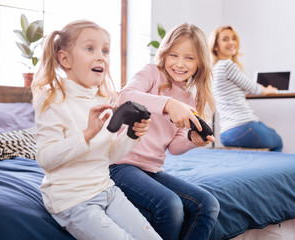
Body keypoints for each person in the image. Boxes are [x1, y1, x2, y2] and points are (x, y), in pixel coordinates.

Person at [31, 19, 162, 240]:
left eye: (105, 50)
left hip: (106, 190)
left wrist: (132, 135)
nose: (101, 56)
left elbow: (109, 155)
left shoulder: (101, 100)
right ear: (65, 58)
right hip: (72, 200)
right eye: (90, 48)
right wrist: (87, 134)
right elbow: (45, 158)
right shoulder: (53, 100)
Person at [109, 22, 220, 240]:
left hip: (151, 169)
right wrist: (168, 104)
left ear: (200, 63)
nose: (180, 64)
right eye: (174, 55)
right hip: (119, 165)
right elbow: (124, 96)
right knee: (170, 205)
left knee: (208, 205)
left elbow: (174, 148)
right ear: (164, 54)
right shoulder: (151, 73)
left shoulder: (190, 98)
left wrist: (191, 139)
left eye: (189, 58)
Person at [209, 25, 283, 151]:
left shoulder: (214, 69)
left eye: (233, 39)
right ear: (215, 46)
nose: (232, 42)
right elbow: (254, 89)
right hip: (243, 126)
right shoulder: (227, 65)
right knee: (277, 142)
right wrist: (268, 90)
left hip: (225, 134)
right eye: (225, 39)